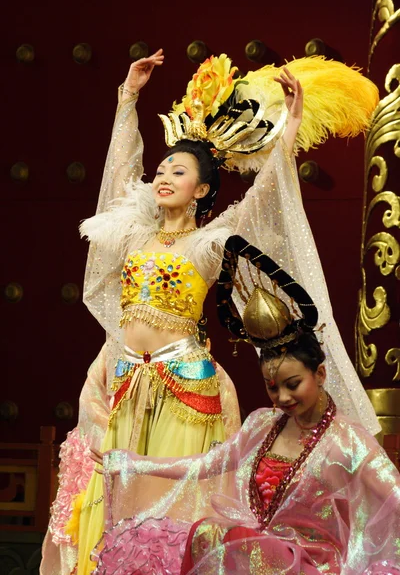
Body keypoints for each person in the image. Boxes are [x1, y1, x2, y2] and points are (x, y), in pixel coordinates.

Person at [41, 50, 380, 575]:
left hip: (184, 389)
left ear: (201, 189)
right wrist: (127, 99)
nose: (163, 176)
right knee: (114, 510)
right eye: (160, 169)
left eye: (178, 170)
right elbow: (118, 177)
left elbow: (265, 198)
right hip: (126, 385)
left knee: (168, 512)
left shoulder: (206, 244)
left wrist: (289, 128)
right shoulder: (131, 233)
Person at [90, 237, 400, 574]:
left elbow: (394, 498)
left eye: (293, 384)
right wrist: (131, 463)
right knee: (204, 533)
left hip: (312, 564)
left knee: (224, 538)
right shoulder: (263, 425)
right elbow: (205, 465)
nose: (283, 398)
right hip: (256, 552)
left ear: (320, 373)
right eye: (272, 388)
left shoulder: (349, 442)